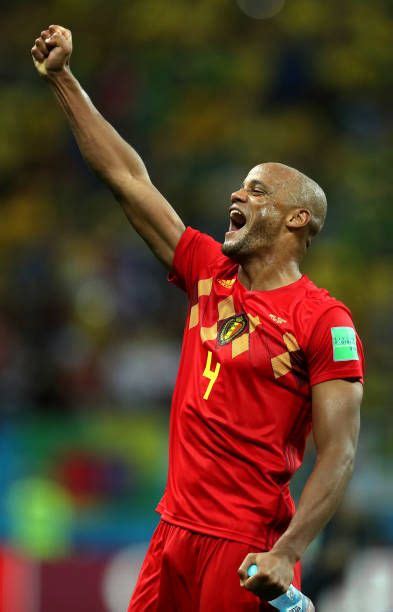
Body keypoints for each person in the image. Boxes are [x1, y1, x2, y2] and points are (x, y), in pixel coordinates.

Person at [31, 25, 364, 611]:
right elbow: (128, 178)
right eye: (240, 186)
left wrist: (288, 550)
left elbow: (338, 452)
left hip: (244, 547)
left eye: (257, 191)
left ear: (296, 221)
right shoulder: (209, 271)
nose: (237, 196)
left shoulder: (324, 320)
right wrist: (63, 80)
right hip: (172, 533)